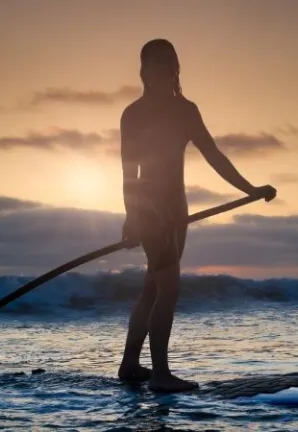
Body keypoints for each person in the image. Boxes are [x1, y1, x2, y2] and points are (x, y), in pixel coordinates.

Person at [118, 38, 277, 393]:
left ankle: (129, 365)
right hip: (150, 211)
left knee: (153, 288)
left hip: (178, 209)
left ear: (176, 67)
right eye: (156, 62)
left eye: (169, 61)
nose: (164, 67)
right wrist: (133, 216)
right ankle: (161, 375)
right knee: (169, 289)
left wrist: (250, 189)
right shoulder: (134, 114)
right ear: (145, 69)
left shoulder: (186, 110)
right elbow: (129, 171)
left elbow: (214, 155)